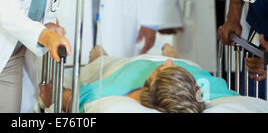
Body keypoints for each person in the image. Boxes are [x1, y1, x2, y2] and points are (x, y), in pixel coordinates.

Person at [40, 44, 238, 113]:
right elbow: (233, 97)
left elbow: (57, 97)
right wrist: (175, 64)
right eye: (169, 66)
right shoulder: (210, 87)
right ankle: (173, 52)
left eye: (161, 70)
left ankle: (101, 55)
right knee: (175, 56)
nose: (166, 62)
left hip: (127, 65)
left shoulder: (107, 93)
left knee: (101, 60)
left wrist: (52, 95)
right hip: (189, 67)